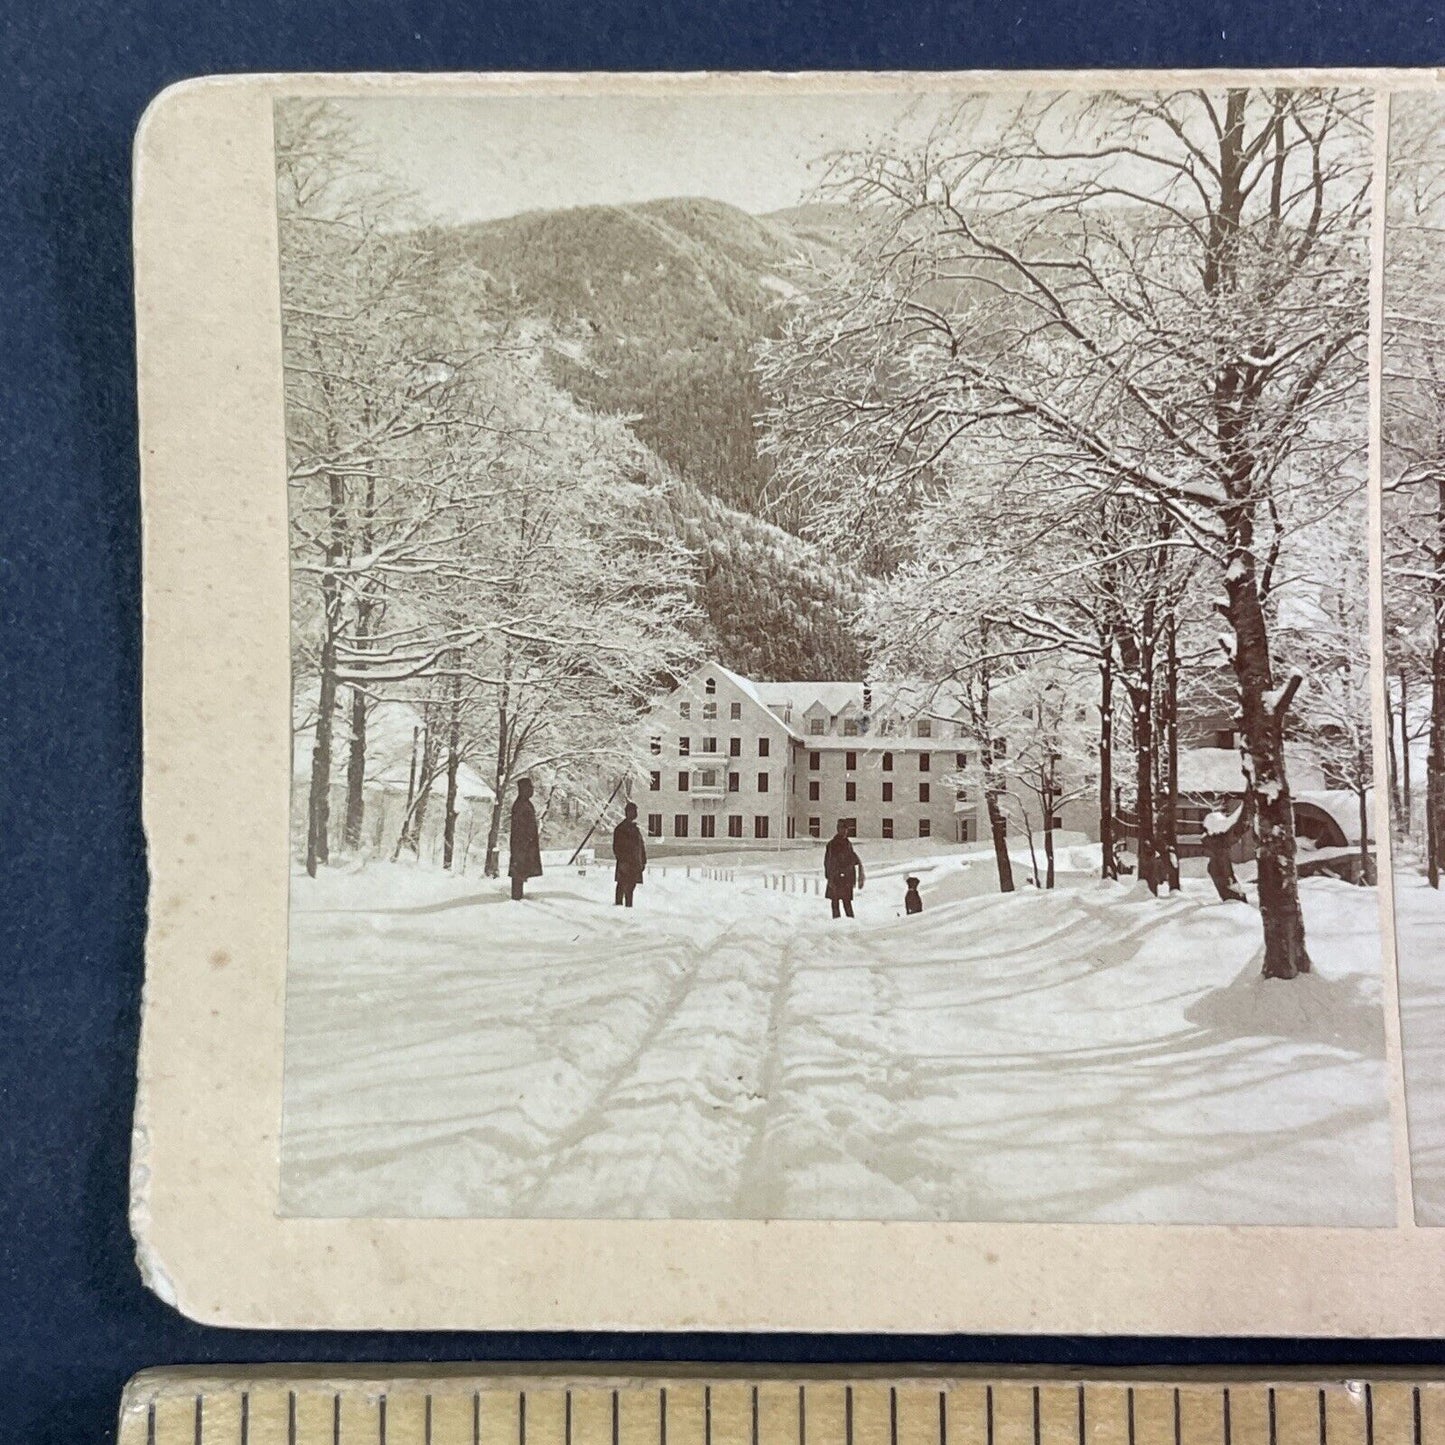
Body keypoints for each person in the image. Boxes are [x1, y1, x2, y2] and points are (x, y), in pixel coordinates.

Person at [1201, 805, 1248, 904]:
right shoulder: (1218, 840)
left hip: (1221, 866)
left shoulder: (1212, 840)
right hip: (1221, 866)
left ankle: (1234, 899)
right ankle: (1235, 900)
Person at [508, 776, 543, 900]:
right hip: (521, 845)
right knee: (519, 869)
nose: (532, 791)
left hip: (525, 844)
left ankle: (518, 894)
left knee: (521, 869)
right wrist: (526, 840)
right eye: (530, 788)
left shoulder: (525, 804)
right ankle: (516, 896)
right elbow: (520, 827)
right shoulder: (521, 805)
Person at [824, 820, 865, 919]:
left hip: (847, 879)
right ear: (838, 829)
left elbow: (852, 858)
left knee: (847, 904)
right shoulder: (832, 844)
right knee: (835, 903)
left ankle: (851, 924)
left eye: (846, 829)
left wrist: (857, 870)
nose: (845, 831)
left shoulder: (848, 844)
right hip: (836, 878)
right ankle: (837, 924)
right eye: (842, 829)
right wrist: (830, 876)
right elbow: (828, 861)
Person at [612, 801, 647, 908]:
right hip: (626, 864)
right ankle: (620, 907)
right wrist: (624, 861)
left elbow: (640, 845)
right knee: (623, 886)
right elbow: (617, 847)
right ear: (627, 812)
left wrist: (643, 860)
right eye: (633, 811)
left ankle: (628, 907)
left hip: (635, 864)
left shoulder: (635, 829)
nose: (635, 813)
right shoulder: (621, 829)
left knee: (631, 887)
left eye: (635, 811)